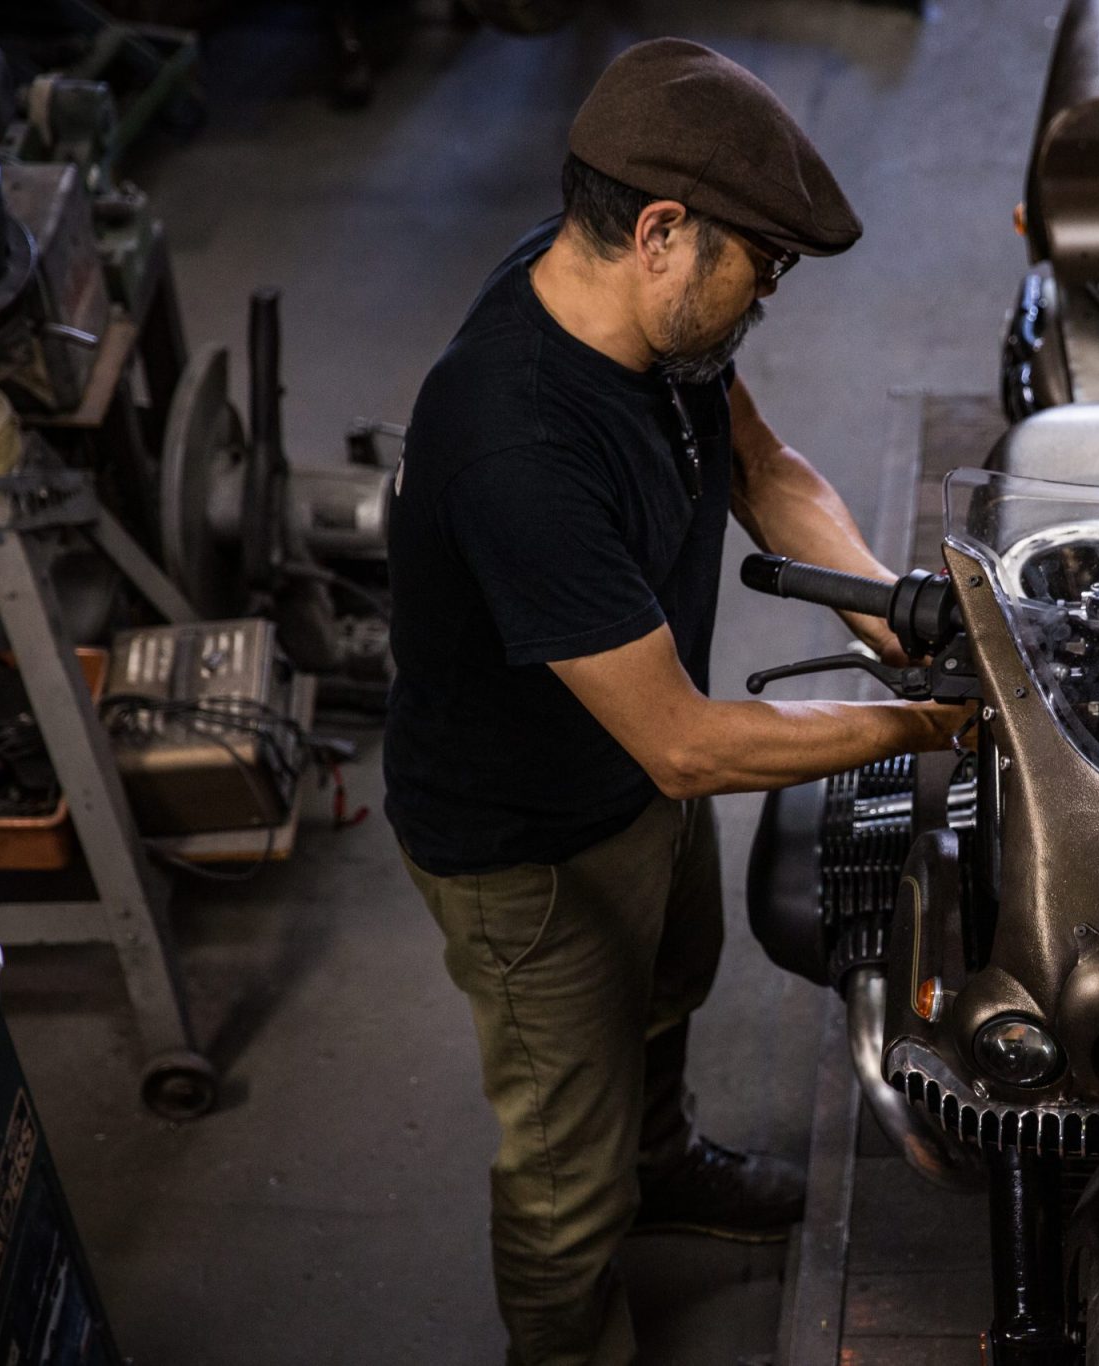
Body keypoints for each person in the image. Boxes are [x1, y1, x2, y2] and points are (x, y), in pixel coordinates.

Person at [382, 38, 968, 1366]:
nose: (766, 298)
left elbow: (766, 467)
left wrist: (899, 619)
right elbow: (689, 745)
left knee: (665, 984)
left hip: (628, 774)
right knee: (564, 1168)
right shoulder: (516, 443)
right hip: (526, 845)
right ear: (661, 232)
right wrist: (927, 724)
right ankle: (567, 1339)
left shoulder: (637, 310)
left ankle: (665, 1163)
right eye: (762, 267)